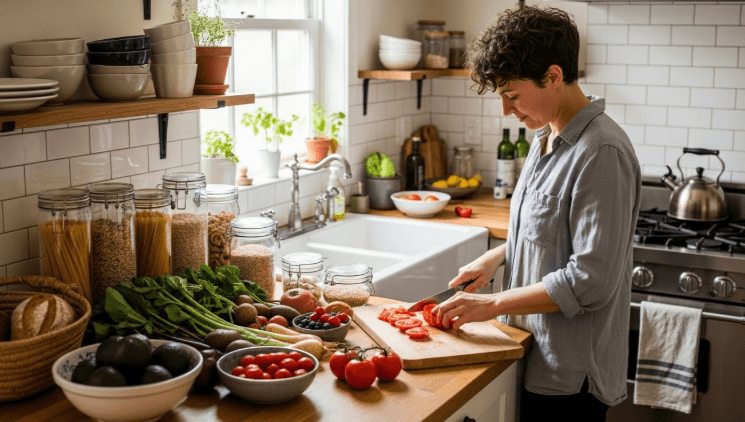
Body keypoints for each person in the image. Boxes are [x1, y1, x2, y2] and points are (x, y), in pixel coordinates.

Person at [431, 5, 641, 422]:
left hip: (569, 374)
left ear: (554, 76)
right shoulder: (545, 137)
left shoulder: (601, 153)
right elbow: (544, 230)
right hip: (531, 350)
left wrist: (490, 305)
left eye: (512, 95)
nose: (507, 111)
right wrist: (496, 257)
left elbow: (590, 282)